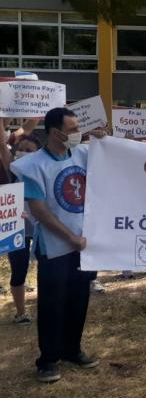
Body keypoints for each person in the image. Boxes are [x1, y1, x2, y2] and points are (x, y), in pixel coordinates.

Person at [11, 107, 104, 382]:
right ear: (55, 132)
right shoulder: (33, 165)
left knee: (79, 298)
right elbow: (39, 210)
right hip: (54, 247)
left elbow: (113, 161)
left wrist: (103, 138)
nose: (77, 134)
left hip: (82, 244)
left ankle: (72, 349)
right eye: (73, 129)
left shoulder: (83, 155)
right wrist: (69, 237)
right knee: (52, 303)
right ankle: (48, 360)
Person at [0, 123, 40, 324]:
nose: (24, 153)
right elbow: (2, 145)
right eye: (21, 149)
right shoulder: (12, 171)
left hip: (43, 227)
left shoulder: (44, 171)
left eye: (30, 150)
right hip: (19, 230)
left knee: (48, 268)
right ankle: (21, 312)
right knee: (19, 270)